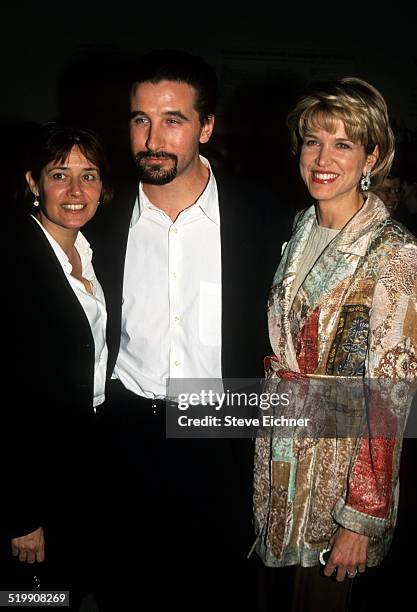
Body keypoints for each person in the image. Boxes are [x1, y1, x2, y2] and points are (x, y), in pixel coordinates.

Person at [85, 49, 291, 611]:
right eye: (140, 119)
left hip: (221, 429)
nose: (153, 138)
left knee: (218, 589)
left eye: (173, 120)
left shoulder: (265, 215)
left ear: (207, 126)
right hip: (125, 428)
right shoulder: (98, 215)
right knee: (125, 585)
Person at [253, 77, 417, 612]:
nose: (322, 158)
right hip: (283, 455)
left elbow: (391, 393)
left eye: (343, 143)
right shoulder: (301, 225)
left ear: (374, 156)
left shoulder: (394, 252)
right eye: (312, 141)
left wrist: (361, 517)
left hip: (339, 473)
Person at [1, 123, 112, 610]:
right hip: (32, 470)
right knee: (29, 598)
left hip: (82, 457)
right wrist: (21, 512)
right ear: (32, 182)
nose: (75, 190)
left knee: (69, 588)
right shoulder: (11, 260)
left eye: (88, 175)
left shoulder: (93, 251)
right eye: (58, 174)